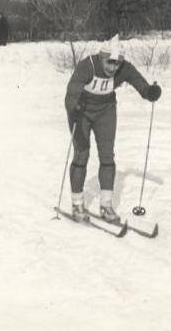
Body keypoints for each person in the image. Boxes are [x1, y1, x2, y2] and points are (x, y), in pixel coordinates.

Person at [64, 34, 162, 223]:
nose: (113, 68)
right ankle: (77, 203)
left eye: (117, 64)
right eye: (109, 62)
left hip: (105, 110)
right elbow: (72, 91)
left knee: (107, 156)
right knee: (81, 153)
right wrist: (73, 106)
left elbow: (139, 83)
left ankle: (106, 206)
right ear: (101, 57)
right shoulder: (88, 65)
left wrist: (150, 92)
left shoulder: (123, 68)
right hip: (81, 111)